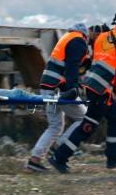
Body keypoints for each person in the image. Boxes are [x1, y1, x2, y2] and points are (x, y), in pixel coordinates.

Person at [49, 4, 116, 173]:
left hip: (92, 84)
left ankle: (62, 157)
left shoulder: (103, 36)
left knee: (101, 120)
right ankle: (110, 156)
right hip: (101, 89)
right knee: (101, 121)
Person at [25, 23, 90, 172]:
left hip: (47, 88)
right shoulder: (78, 41)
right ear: (85, 35)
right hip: (59, 90)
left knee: (55, 125)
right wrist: (74, 89)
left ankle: (34, 161)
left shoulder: (66, 38)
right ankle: (60, 146)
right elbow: (72, 67)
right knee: (85, 118)